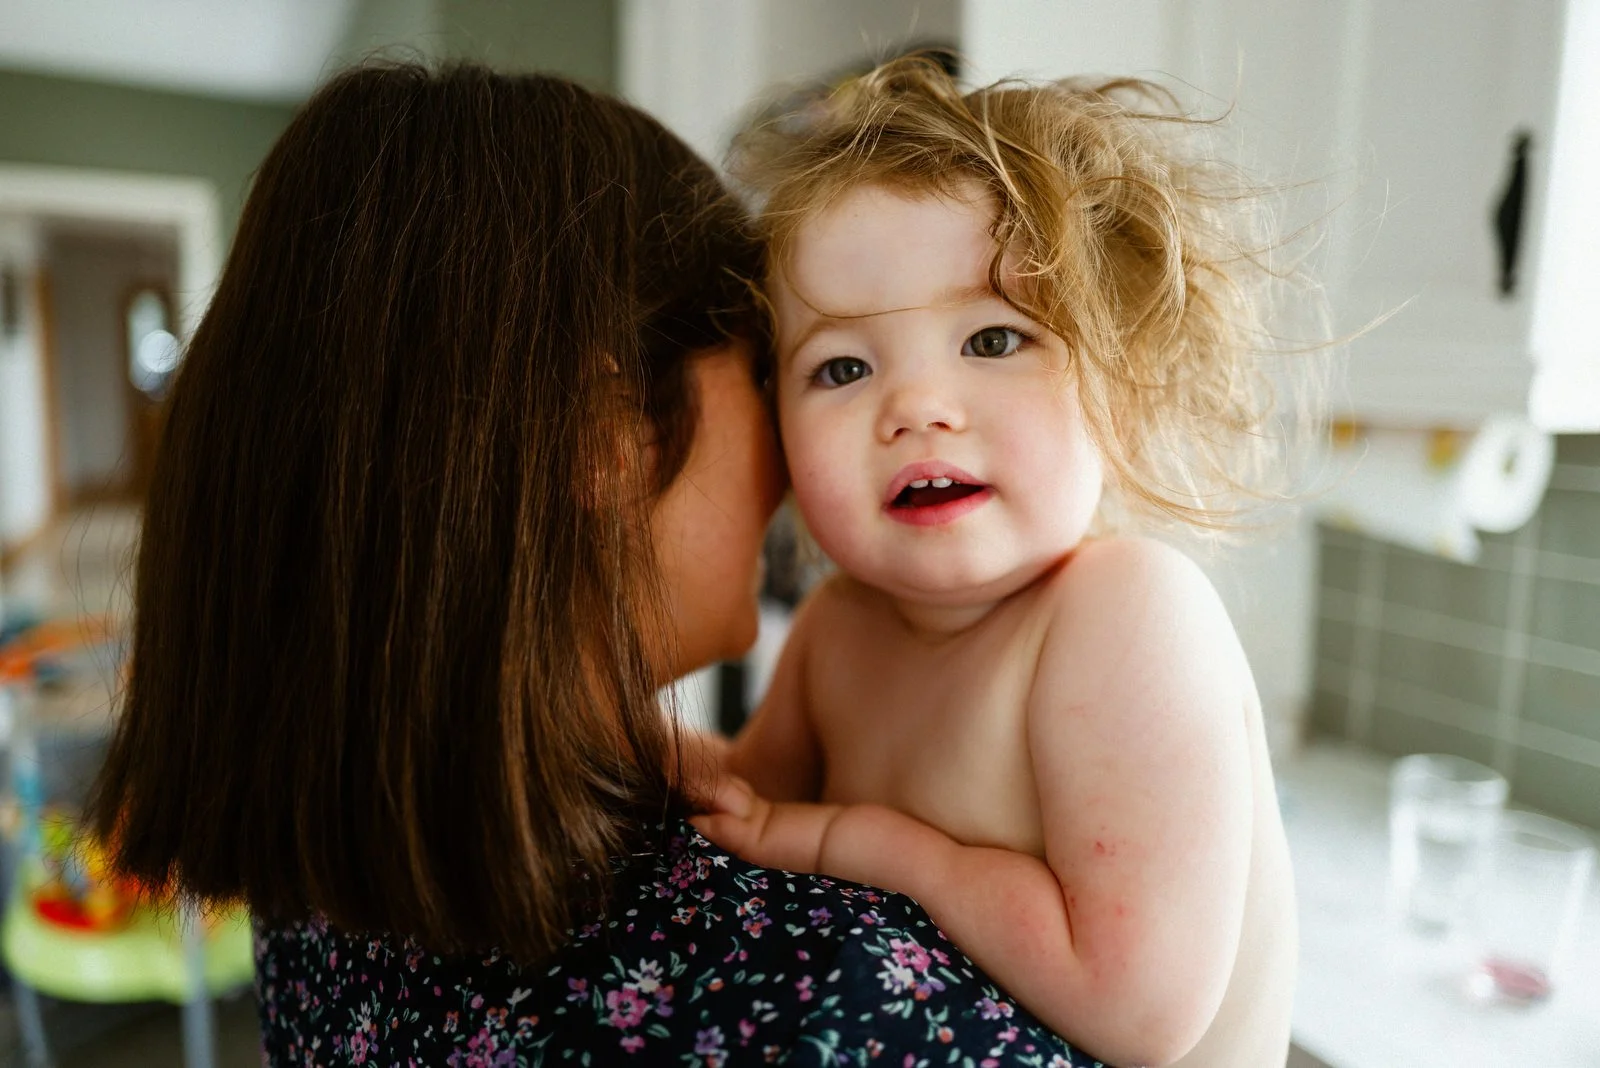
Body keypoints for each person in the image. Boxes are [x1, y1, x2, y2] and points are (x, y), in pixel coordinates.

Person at [85, 62, 1117, 1066]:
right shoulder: (818, 997)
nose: (796, 461)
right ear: (604, 434)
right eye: (783, 369)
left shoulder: (330, 855)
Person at [694, 58, 1301, 1068]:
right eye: (841, 367)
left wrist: (880, 850)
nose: (918, 407)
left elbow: (1135, 1009)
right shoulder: (840, 627)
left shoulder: (1123, 612)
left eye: (991, 338)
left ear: (1118, 373)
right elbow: (746, 817)